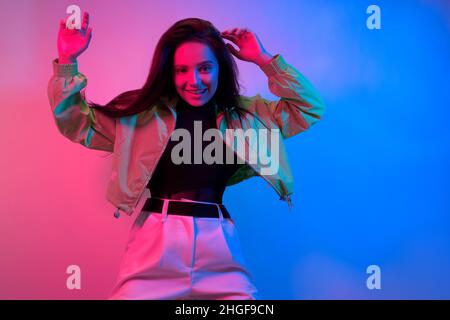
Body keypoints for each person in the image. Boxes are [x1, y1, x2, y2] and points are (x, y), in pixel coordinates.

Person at [48, 11, 326, 300]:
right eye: (181, 70)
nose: (193, 80)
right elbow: (77, 124)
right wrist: (68, 62)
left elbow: (307, 108)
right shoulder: (142, 116)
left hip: (218, 244)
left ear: (221, 68)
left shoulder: (247, 117)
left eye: (204, 68)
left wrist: (264, 59)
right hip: (155, 243)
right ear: (169, 72)